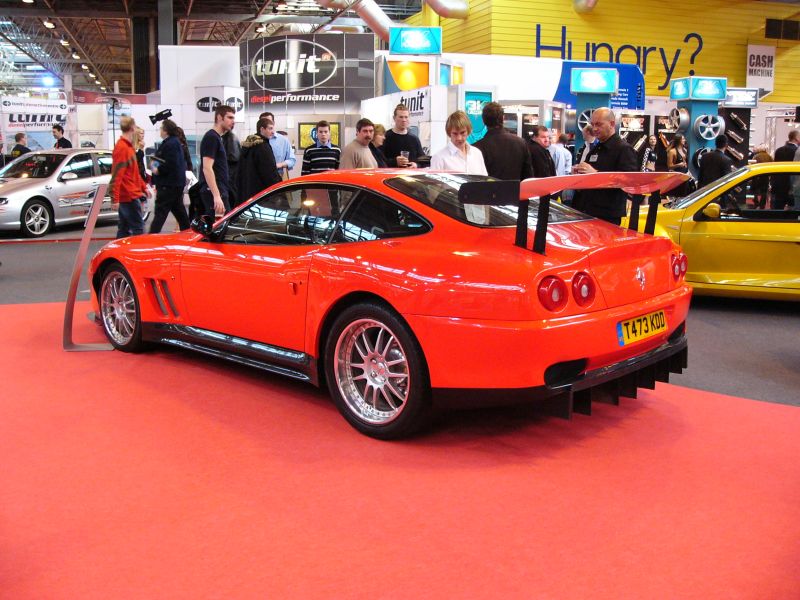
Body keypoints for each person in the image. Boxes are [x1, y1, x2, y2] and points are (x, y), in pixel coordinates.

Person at [571, 107, 637, 224]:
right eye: (592, 124)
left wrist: (596, 174)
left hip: (607, 215)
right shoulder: (596, 149)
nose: (594, 128)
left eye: (599, 124)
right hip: (586, 211)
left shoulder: (623, 149)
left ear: (611, 124)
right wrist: (578, 179)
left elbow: (628, 181)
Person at [149, 119, 191, 233]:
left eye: (161, 128)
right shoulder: (173, 142)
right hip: (174, 185)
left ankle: (151, 237)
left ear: (166, 130)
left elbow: (171, 163)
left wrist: (158, 170)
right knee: (179, 212)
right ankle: (188, 233)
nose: (160, 131)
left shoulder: (171, 144)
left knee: (160, 213)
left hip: (168, 185)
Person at [473, 101, 533, 180]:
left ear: (483, 120)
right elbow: (528, 177)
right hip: (515, 191)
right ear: (503, 118)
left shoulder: (477, 148)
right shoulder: (521, 143)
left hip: (489, 191)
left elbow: (476, 180)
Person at [109, 116, 147, 238]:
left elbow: (133, 172)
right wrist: (114, 198)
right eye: (135, 126)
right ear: (131, 128)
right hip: (129, 195)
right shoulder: (122, 148)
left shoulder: (127, 147)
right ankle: (138, 255)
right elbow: (117, 175)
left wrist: (143, 187)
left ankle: (117, 254)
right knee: (138, 229)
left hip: (129, 194)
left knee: (124, 230)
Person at [198, 104, 234, 218]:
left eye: (233, 118)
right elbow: (207, 168)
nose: (233, 121)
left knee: (220, 228)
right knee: (220, 229)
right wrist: (216, 196)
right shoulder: (212, 137)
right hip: (214, 190)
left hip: (219, 189)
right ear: (219, 118)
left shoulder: (217, 137)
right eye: (230, 117)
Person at [236, 117, 281, 206]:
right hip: (261, 196)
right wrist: (278, 188)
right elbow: (269, 173)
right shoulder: (263, 147)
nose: (273, 132)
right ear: (262, 129)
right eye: (270, 128)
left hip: (245, 195)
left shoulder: (246, 147)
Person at [430, 110, 487, 174]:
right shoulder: (439, 158)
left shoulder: (477, 153)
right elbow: (435, 183)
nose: (459, 138)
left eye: (462, 133)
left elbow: (484, 180)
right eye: (455, 133)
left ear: (468, 131)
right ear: (449, 133)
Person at [382, 104, 424, 168]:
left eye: (406, 117)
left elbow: (423, 161)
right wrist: (394, 162)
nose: (404, 120)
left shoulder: (414, 139)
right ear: (394, 118)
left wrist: (416, 165)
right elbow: (378, 161)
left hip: (410, 176)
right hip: (391, 176)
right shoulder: (385, 137)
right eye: (401, 117)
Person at [259, 111, 295, 178]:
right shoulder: (254, 141)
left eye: (268, 121)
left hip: (277, 176)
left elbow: (292, 160)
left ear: (273, 123)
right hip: (258, 179)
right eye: (263, 122)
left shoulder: (283, 140)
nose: (266, 125)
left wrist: (280, 165)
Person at [772, 130, 798, 209]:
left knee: (777, 211)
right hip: (792, 185)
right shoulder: (797, 151)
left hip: (779, 184)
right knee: (793, 212)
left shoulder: (779, 150)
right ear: (796, 138)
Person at [666, 133, 691, 197]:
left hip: (685, 175)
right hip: (677, 176)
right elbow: (669, 166)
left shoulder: (685, 150)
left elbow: (685, 164)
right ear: (679, 140)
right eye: (683, 139)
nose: (684, 140)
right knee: (677, 194)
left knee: (685, 193)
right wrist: (678, 165)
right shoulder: (672, 151)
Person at [222, 126, 241, 203]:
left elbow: (233, 156)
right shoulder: (230, 137)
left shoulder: (230, 138)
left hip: (230, 176)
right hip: (231, 176)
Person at [751, 144, 773, 209]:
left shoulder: (756, 156)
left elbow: (751, 165)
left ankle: (756, 203)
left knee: (755, 190)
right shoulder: (769, 157)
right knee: (764, 191)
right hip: (765, 176)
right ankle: (762, 205)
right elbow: (772, 166)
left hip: (757, 176)